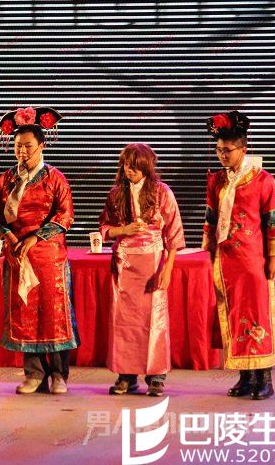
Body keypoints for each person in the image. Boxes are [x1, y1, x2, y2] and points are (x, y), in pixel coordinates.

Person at [0, 107, 78, 395]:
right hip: (16, 255)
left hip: (48, 258)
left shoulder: (55, 178)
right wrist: (8, 235)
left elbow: (65, 215)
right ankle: (34, 374)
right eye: (18, 146)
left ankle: (59, 375)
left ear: (42, 146)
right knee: (25, 315)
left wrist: (35, 238)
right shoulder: (6, 179)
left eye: (28, 146)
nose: (22, 151)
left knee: (53, 316)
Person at [202, 111, 275, 400]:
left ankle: (264, 378)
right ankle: (245, 376)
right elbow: (210, 219)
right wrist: (207, 250)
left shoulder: (263, 180)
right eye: (218, 150)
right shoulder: (216, 181)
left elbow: (273, 222)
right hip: (225, 261)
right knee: (233, 315)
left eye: (228, 150)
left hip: (253, 261)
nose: (222, 155)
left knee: (257, 314)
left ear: (243, 148)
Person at [98, 143, 185, 397]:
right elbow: (104, 229)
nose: (130, 171)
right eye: (126, 165)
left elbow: (174, 235)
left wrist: (167, 270)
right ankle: (126, 375)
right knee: (124, 322)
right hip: (124, 265)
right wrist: (123, 230)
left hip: (152, 263)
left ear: (146, 167)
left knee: (153, 321)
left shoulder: (162, 192)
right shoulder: (116, 193)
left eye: (135, 166)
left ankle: (156, 376)